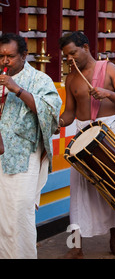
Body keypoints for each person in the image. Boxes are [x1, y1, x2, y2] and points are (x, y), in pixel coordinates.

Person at [58, 31, 115, 258]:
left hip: (108, 134)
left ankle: (114, 241)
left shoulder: (109, 69)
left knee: (111, 187)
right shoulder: (71, 78)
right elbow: (70, 113)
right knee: (78, 192)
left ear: (86, 47)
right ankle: (76, 247)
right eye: (66, 56)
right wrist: (58, 123)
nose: (70, 59)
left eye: (73, 53)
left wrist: (107, 93)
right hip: (82, 136)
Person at [0, 33, 62, 259]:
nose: (5, 61)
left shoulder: (40, 80)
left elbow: (51, 113)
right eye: (1, 56)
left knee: (20, 213)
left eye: (10, 56)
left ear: (24, 55)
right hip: (0, 157)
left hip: (25, 157)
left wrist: (17, 89)